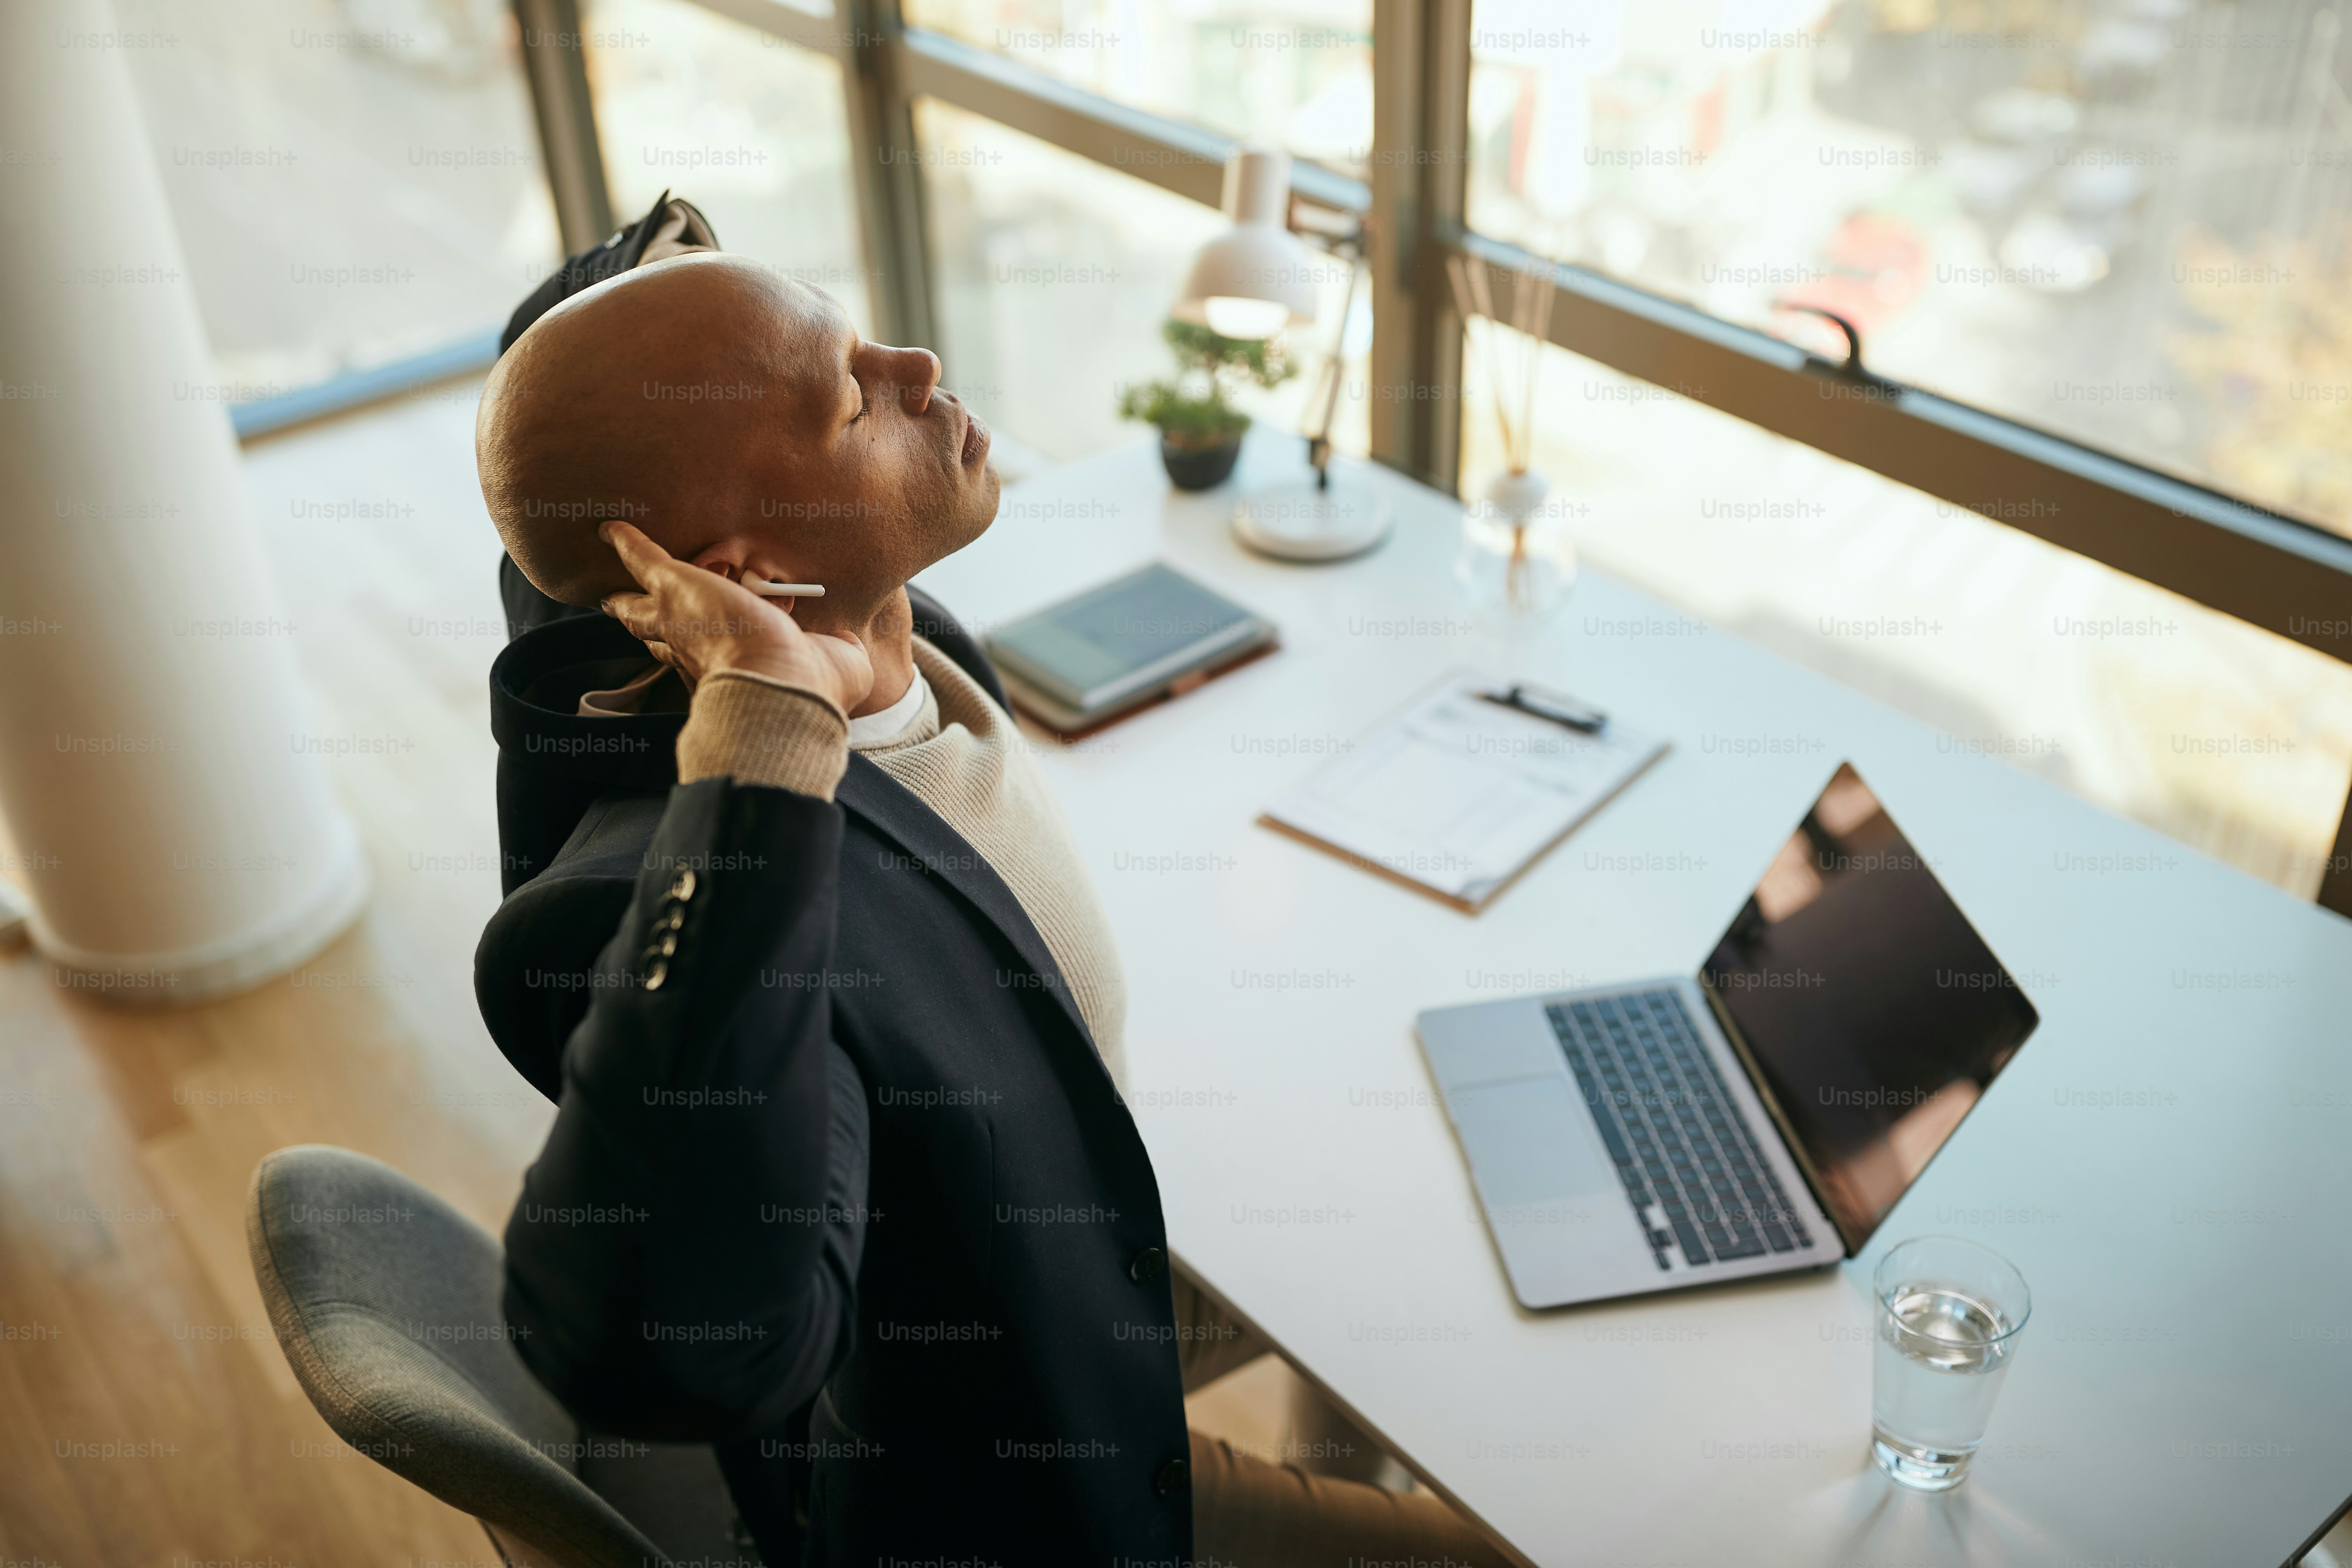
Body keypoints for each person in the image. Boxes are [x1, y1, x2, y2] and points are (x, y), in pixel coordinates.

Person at [473, 250, 1507, 1566]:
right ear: (746, 575)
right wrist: (769, 737)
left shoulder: (883, 613)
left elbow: (583, 458)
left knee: (1418, 1249)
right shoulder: (734, 876)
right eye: (852, 396)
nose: (917, 371)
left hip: (1073, 1200)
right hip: (1014, 1458)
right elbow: (666, 1345)